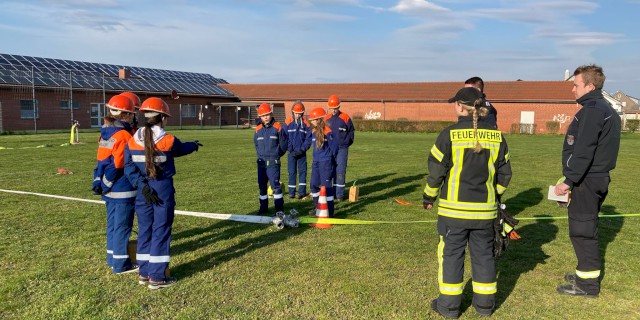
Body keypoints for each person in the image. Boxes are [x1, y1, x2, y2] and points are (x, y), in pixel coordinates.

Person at [423, 87, 512, 318]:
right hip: (485, 213)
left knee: (451, 256)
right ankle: (484, 307)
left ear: (461, 107)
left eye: (455, 104)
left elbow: (435, 173)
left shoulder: (448, 135)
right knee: (484, 256)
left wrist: (428, 197)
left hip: (454, 213)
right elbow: (505, 176)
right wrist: (495, 196)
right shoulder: (497, 136)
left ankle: (449, 307)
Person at [554, 64, 620, 298]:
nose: (572, 89)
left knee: (582, 231)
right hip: (595, 178)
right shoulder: (605, 108)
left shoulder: (593, 110)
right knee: (586, 227)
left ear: (590, 86)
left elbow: (584, 150)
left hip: (587, 180)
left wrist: (568, 181)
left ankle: (588, 285)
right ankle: (584, 274)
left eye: (576, 85)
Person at [124, 97, 202, 289]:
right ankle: (157, 277)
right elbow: (181, 149)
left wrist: (141, 185)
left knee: (145, 230)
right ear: (163, 118)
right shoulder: (168, 140)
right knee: (161, 230)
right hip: (162, 189)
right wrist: (194, 145)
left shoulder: (133, 140)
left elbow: (128, 167)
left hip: (143, 191)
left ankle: (144, 272)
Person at [92, 94, 139, 274]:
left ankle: (112, 258)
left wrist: (101, 183)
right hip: (122, 188)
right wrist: (108, 183)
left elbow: (101, 161)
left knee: (112, 225)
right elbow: (119, 163)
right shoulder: (124, 135)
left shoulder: (105, 132)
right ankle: (121, 265)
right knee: (122, 226)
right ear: (126, 115)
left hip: (108, 189)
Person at [254, 103, 288, 215]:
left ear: (271, 114)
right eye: (263, 116)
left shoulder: (278, 128)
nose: (266, 117)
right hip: (261, 163)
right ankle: (263, 208)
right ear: (260, 117)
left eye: (267, 115)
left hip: (273, 163)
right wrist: (260, 155)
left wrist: (276, 155)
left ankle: (279, 209)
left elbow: (283, 145)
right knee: (262, 186)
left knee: (275, 187)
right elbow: (256, 145)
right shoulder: (258, 130)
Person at [324, 94, 355, 202]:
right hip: (330, 149)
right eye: (331, 109)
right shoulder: (326, 119)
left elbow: (351, 132)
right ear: (329, 108)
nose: (333, 111)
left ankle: (340, 195)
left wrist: (346, 143)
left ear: (339, 107)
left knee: (340, 171)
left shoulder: (345, 117)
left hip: (342, 149)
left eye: (335, 108)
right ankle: (331, 194)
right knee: (330, 171)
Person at [308, 108, 339, 217]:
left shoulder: (328, 132)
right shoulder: (313, 132)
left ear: (319, 119)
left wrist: (330, 159)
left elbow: (335, 148)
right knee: (313, 184)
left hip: (326, 163)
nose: (311, 122)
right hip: (316, 162)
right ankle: (317, 207)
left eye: (313, 120)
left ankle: (330, 211)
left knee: (327, 187)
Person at [284, 100, 312, 199]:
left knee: (302, 172)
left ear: (302, 113)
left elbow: (308, 140)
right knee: (292, 172)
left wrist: (301, 150)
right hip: (291, 153)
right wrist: (290, 148)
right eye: (296, 113)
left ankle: (301, 192)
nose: (298, 115)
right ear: (293, 112)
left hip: (302, 153)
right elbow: (284, 137)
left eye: (300, 113)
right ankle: (291, 193)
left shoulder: (306, 124)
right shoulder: (287, 122)